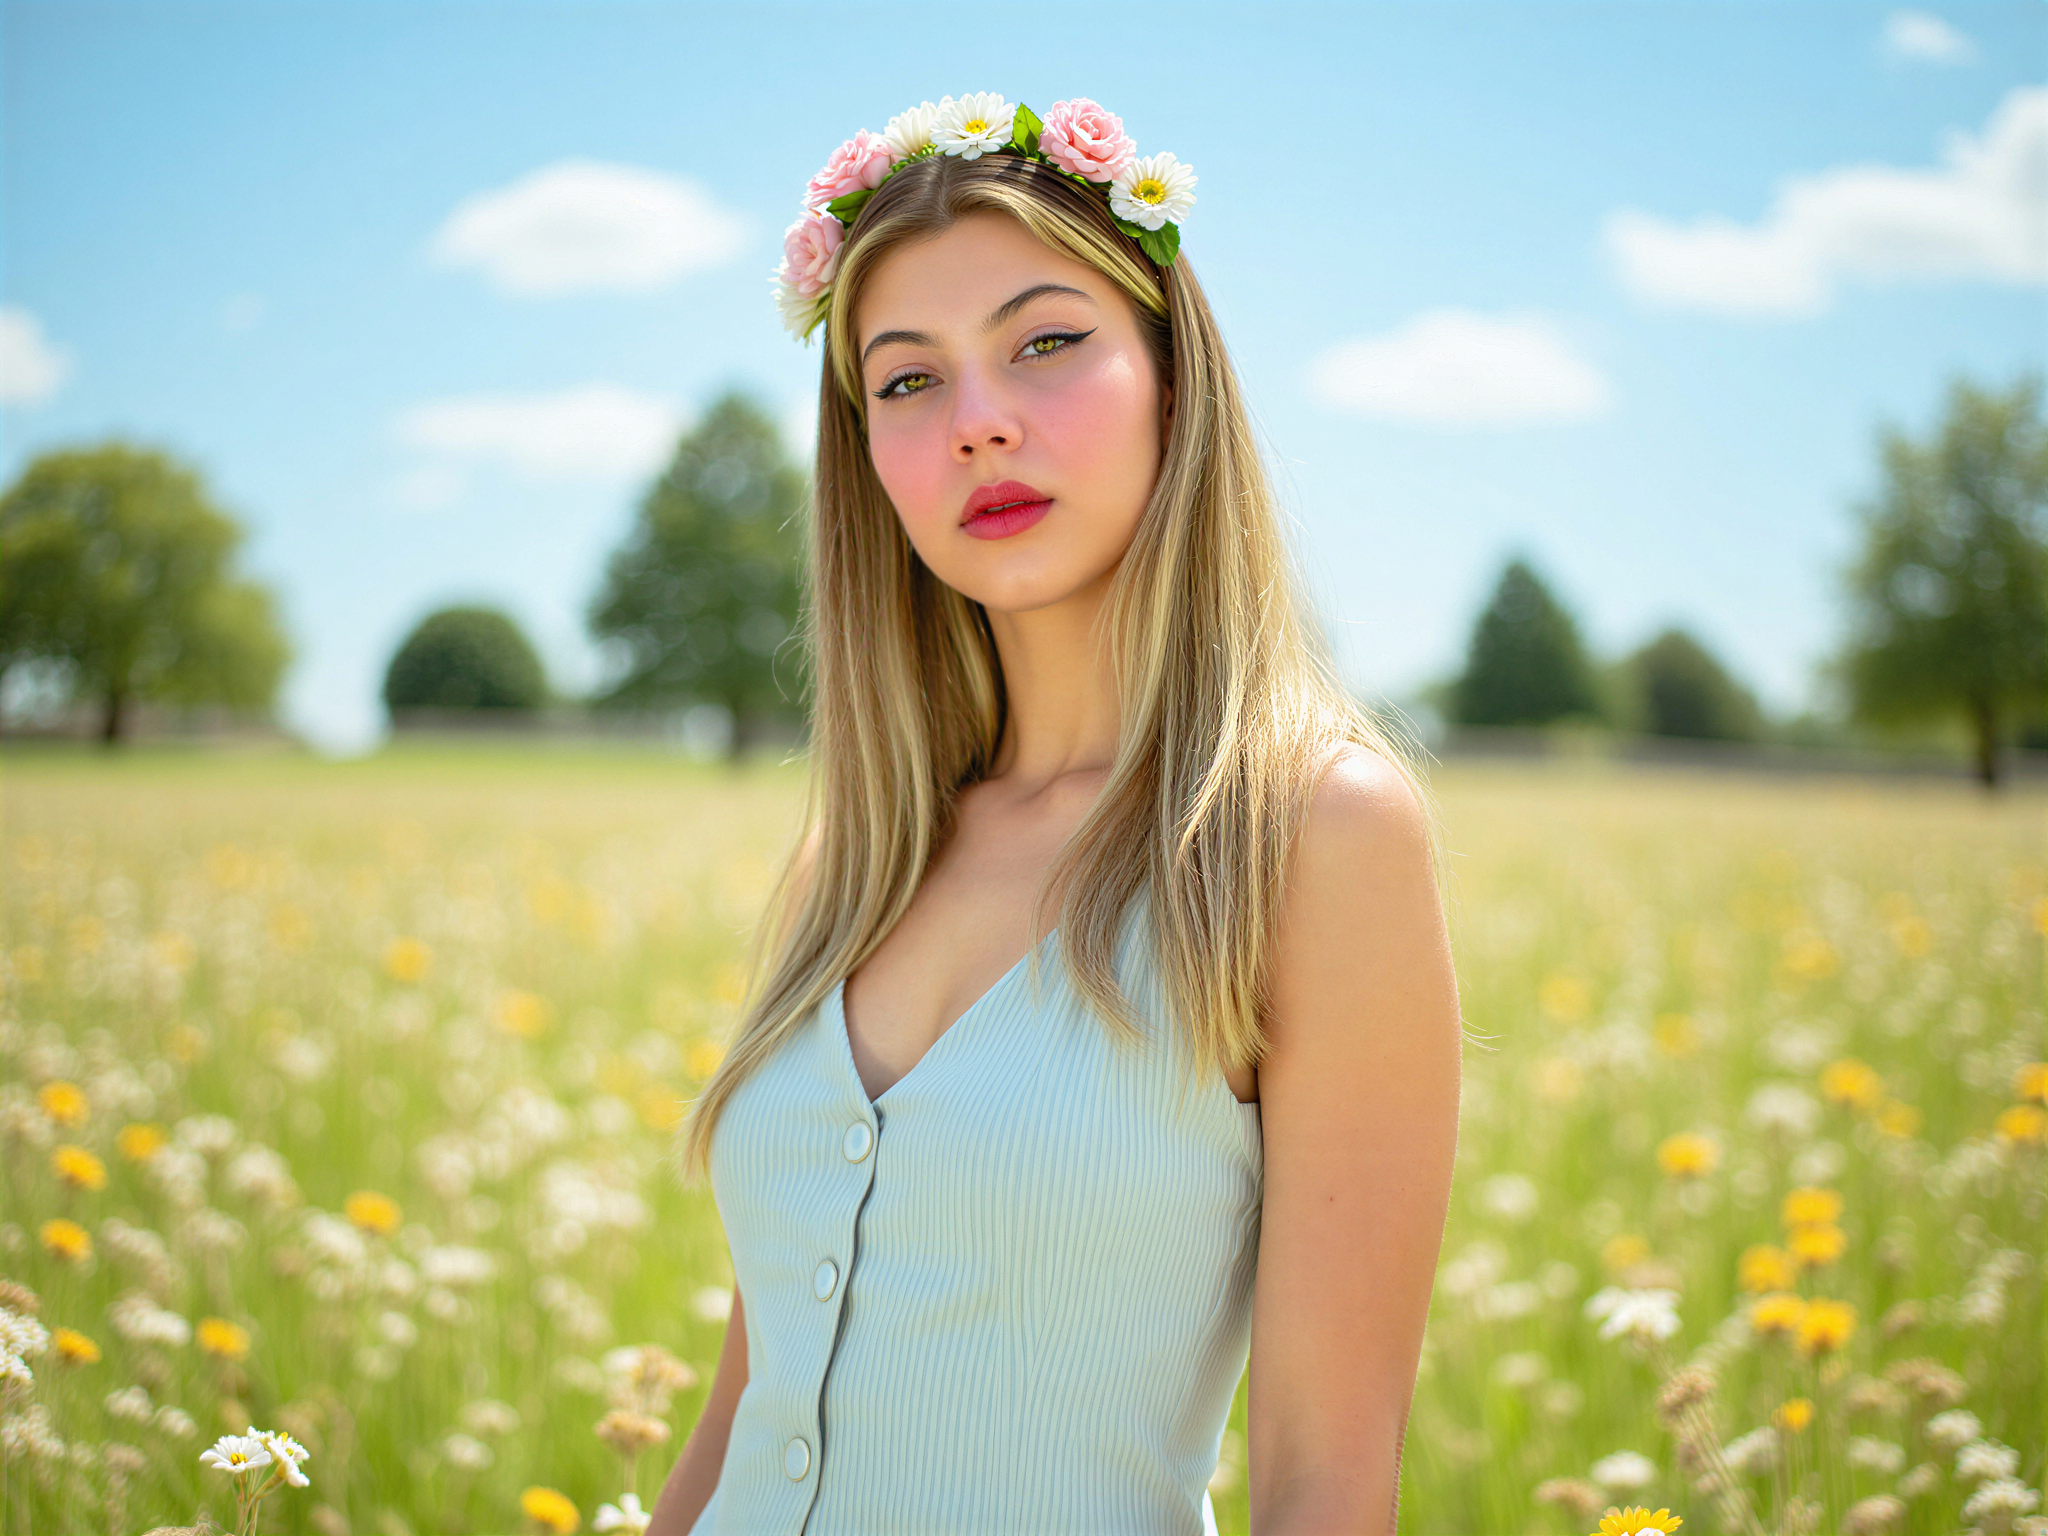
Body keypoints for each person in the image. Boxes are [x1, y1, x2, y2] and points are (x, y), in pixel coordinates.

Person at [646, 92, 1463, 1536]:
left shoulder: (1312, 838)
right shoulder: (852, 857)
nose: (979, 424)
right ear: (867, 458)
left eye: (1045, 343)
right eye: (907, 382)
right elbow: (738, 1412)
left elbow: (1327, 1476)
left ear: (1170, 375)